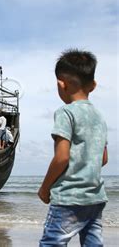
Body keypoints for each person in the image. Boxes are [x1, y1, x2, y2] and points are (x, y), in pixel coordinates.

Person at [38, 49, 108, 247]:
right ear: (93, 86)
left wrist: (45, 188)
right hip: (95, 198)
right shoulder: (99, 118)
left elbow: (61, 158)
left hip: (68, 198)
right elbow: (103, 159)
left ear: (61, 84)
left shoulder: (65, 113)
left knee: (52, 243)